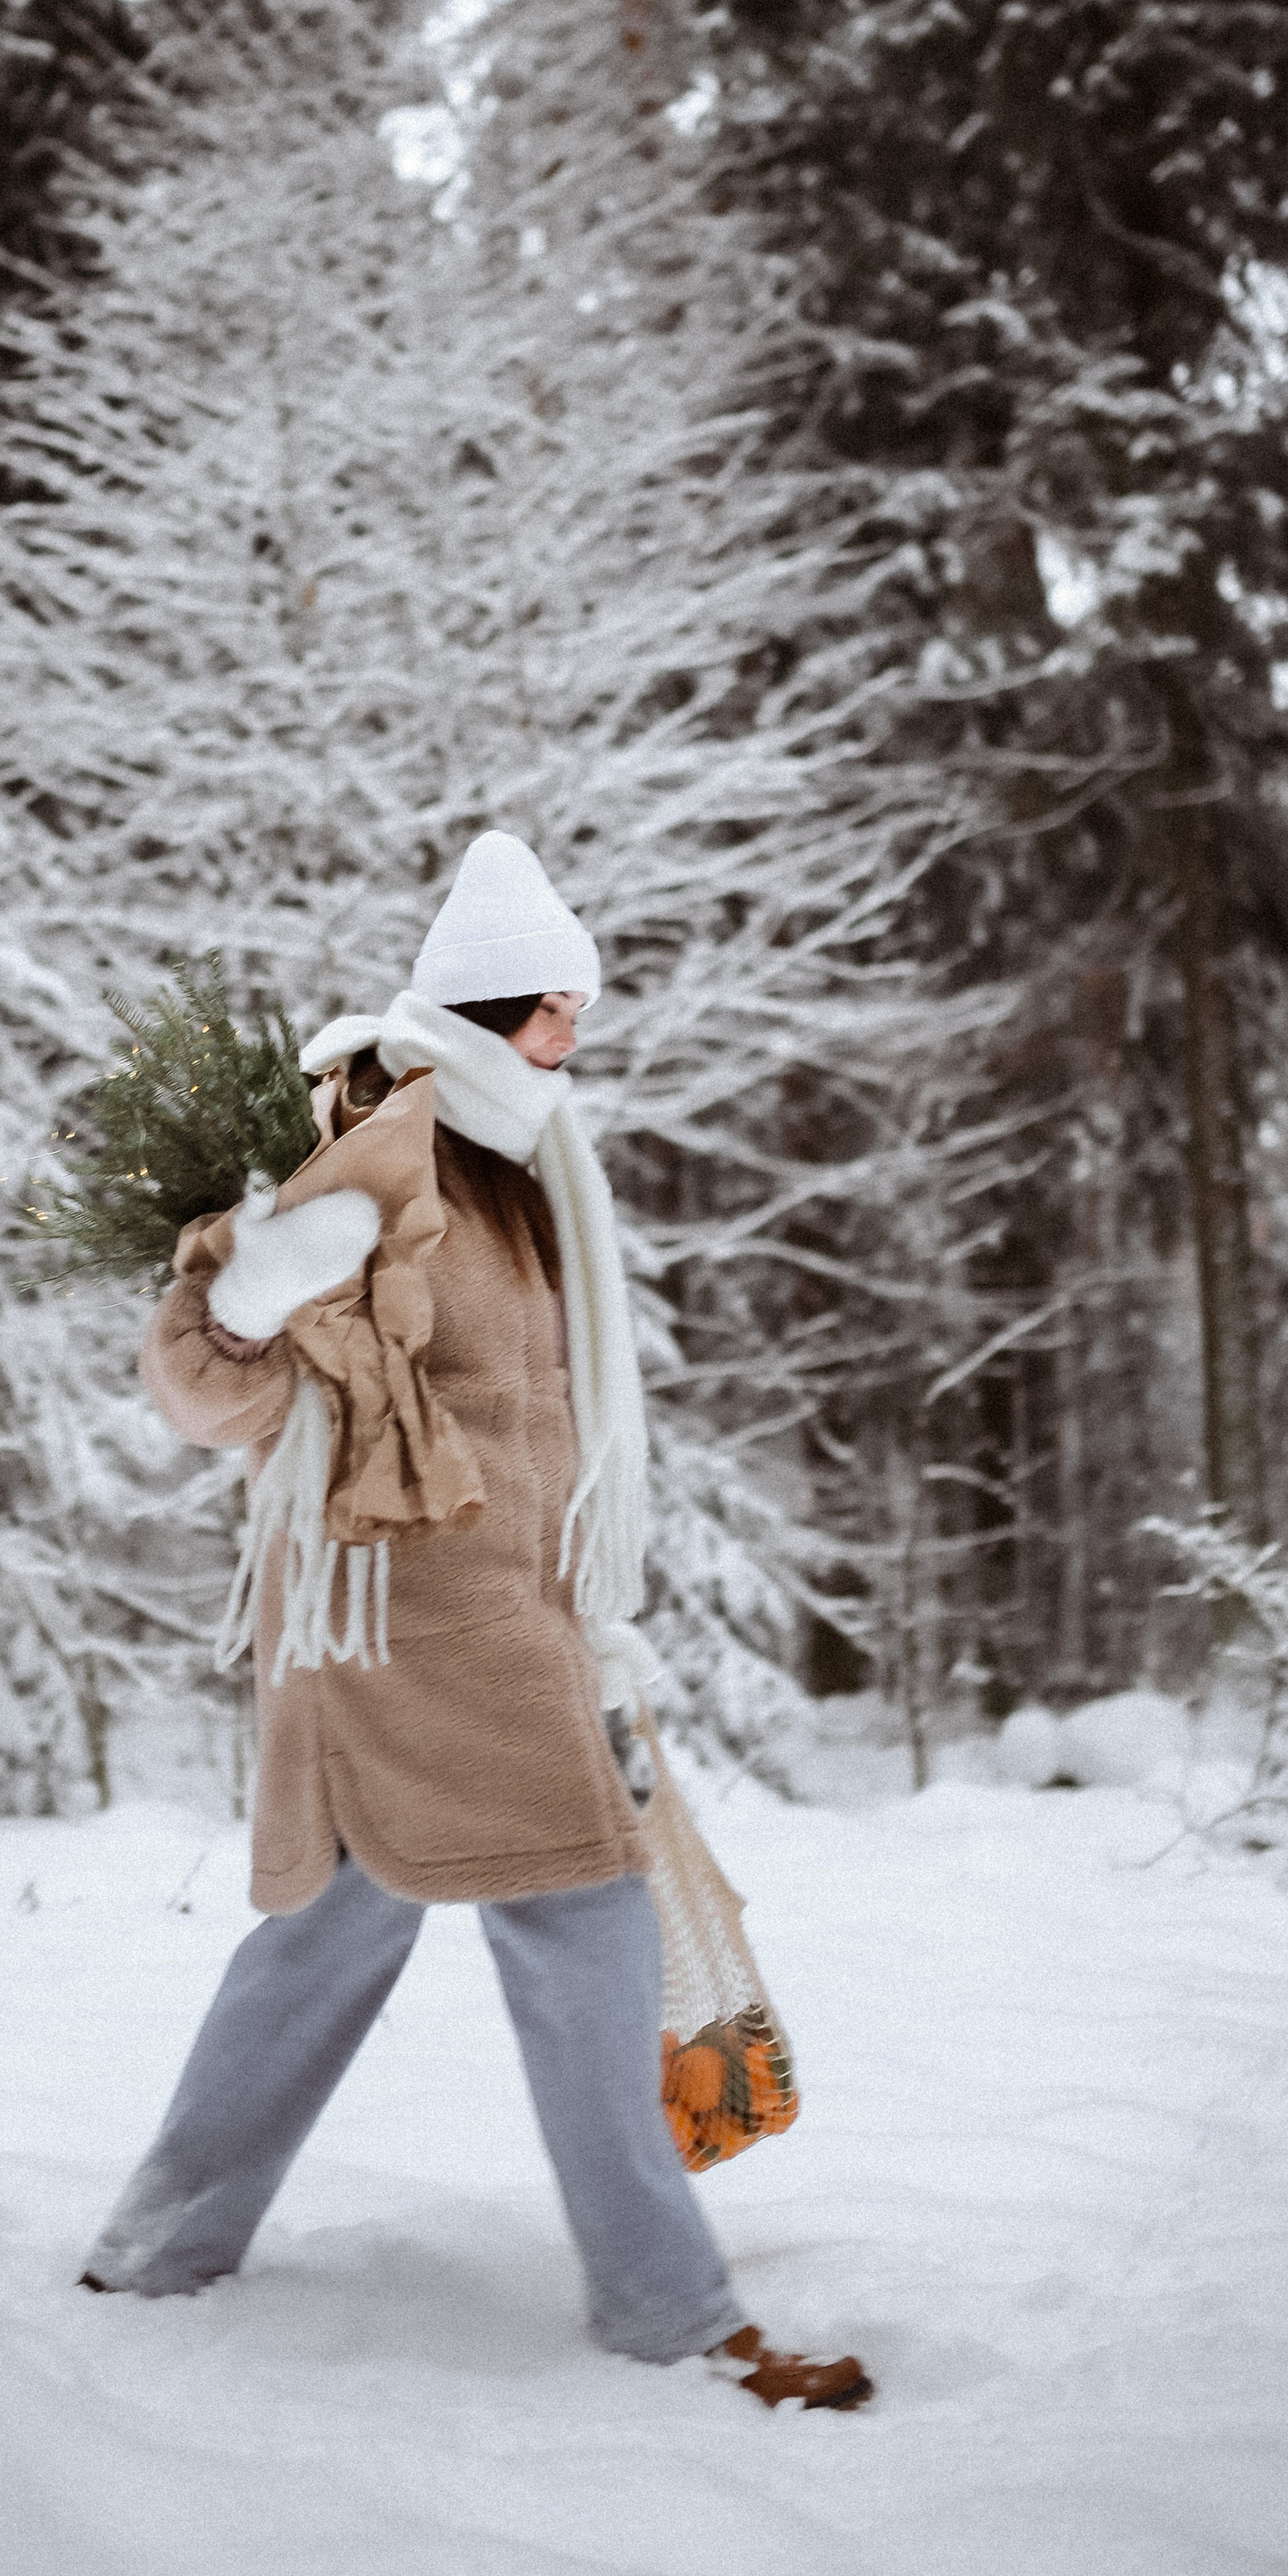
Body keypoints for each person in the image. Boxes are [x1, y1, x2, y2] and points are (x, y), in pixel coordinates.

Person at [81, 832, 872, 2412]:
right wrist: (243, 1298)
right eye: (554, 1013)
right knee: (585, 1915)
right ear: (491, 1009)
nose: (573, 1042)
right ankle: (664, 2307)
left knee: (326, 1937)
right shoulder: (386, 1161)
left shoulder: (513, 1176)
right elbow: (199, 1384)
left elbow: (531, 1431)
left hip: (469, 1621)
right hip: (420, 1627)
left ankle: (160, 2243)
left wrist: (588, 1614)